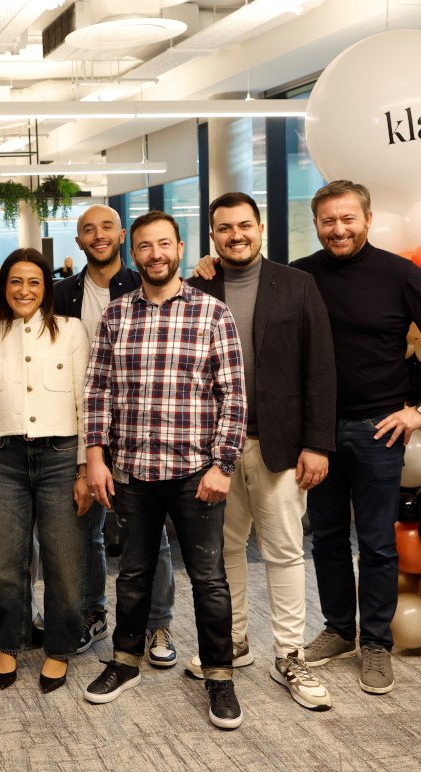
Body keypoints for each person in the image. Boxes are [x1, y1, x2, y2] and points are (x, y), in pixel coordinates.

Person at [82, 210, 247, 730]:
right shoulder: (116, 316)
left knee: (209, 578)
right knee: (132, 574)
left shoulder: (213, 313)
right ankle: (126, 661)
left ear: (179, 248)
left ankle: (219, 675)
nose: (155, 254)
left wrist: (223, 465)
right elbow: (98, 391)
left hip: (197, 472)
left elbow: (234, 398)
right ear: (134, 255)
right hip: (133, 470)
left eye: (164, 245)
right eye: (145, 247)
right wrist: (95, 456)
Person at [287, 180, 421, 694]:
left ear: (367, 219)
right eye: (328, 220)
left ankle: (375, 644)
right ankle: (338, 630)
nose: (338, 229)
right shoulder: (300, 276)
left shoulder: (400, 274)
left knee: (377, 545)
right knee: (327, 539)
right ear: (316, 224)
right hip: (316, 435)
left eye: (347, 219)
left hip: (378, 431)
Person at [181, 192, 336, 710]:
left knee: (285, 551)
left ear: (261, 227)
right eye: (224, 228)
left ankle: (291, 654)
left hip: (282, 446)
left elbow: (320, 369)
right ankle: (235, 642)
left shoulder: (297, 285)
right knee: (223, 553)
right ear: (212, 236)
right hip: (214, 449)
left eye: (244, 225)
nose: (235, 235)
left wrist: (317, 443)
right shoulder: (196, 285)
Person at [53, 204, 178, 667]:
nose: (98, 235)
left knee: (151, 536)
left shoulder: (144, 283)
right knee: (85, 530)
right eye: (88, 229)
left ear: (121, 235)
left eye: (106, 227)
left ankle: (157, 622)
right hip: (82, 432)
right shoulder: (61, 294)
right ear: (79, 241)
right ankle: (93, 613)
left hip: (140, 431)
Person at [0, 248, 92, 694]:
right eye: (15, 282)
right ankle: (10, 640)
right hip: (2, 459)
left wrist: (84, 470)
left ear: (46, 288)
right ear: (3, 287)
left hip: (61, 457)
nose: (24, 290)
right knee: (3, 564)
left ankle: (58, 648)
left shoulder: (72, 332)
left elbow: (85, 404)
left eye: (34, 282)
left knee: (64, 562)